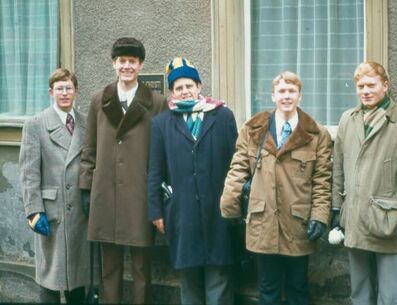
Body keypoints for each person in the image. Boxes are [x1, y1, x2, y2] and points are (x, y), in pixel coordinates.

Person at [220, 71, 332, 305]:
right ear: (273, 95)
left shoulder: (316, 134)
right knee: (267, 289)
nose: (287, 96)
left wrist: (320, 217)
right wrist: (229, 205)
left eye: (292, 91)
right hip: (263, 222)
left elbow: (322, 180)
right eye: (282, 91)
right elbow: (239, 168)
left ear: (300, 95)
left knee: (297, 288)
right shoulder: (254, 129)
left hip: (298, 222)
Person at [330, 61, 397, 305]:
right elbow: (338, 170)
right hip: (354, 217)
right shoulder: (347, 120)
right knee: (359, 290)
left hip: (388, 220)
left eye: (371, 85)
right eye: (360, 86)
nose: (365, 91)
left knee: (391, 293)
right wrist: (334, 209)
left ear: (385, 85)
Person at [79, 37, 167, 304]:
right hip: (105, 193)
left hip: (140, 195)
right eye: (121, 61)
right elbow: (89, 148)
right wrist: (86, 188)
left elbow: (160, 155)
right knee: (109, 267)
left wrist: (158, 197)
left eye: (132, 61)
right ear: (113, 64)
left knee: (142, 267)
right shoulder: (99, 100)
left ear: (140, 65)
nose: (126, 66)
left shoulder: (156, 102)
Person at [147, 57, 238, 305]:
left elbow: (236, 164)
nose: (185, 91)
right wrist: (156, 212)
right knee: (189, 278)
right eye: (179, 88)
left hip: (217, 210)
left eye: (189, 85)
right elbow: (155, 170)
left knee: (219, 275)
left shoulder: (222, 116)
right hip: (182, 212)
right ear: (172, 93)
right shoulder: (162, 124)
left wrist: (236, 204)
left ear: (199, 86)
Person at [19, 68, 91, 304]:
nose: (65, 93)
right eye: (59, 88)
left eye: (69, 88)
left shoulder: (86, 123)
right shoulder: (36, 124)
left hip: (80, 212)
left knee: (78, 277)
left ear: (76, 92)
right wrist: (33, 210)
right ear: (51, 92)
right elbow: (28, 173)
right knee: (50, 278)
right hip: (51, 212)